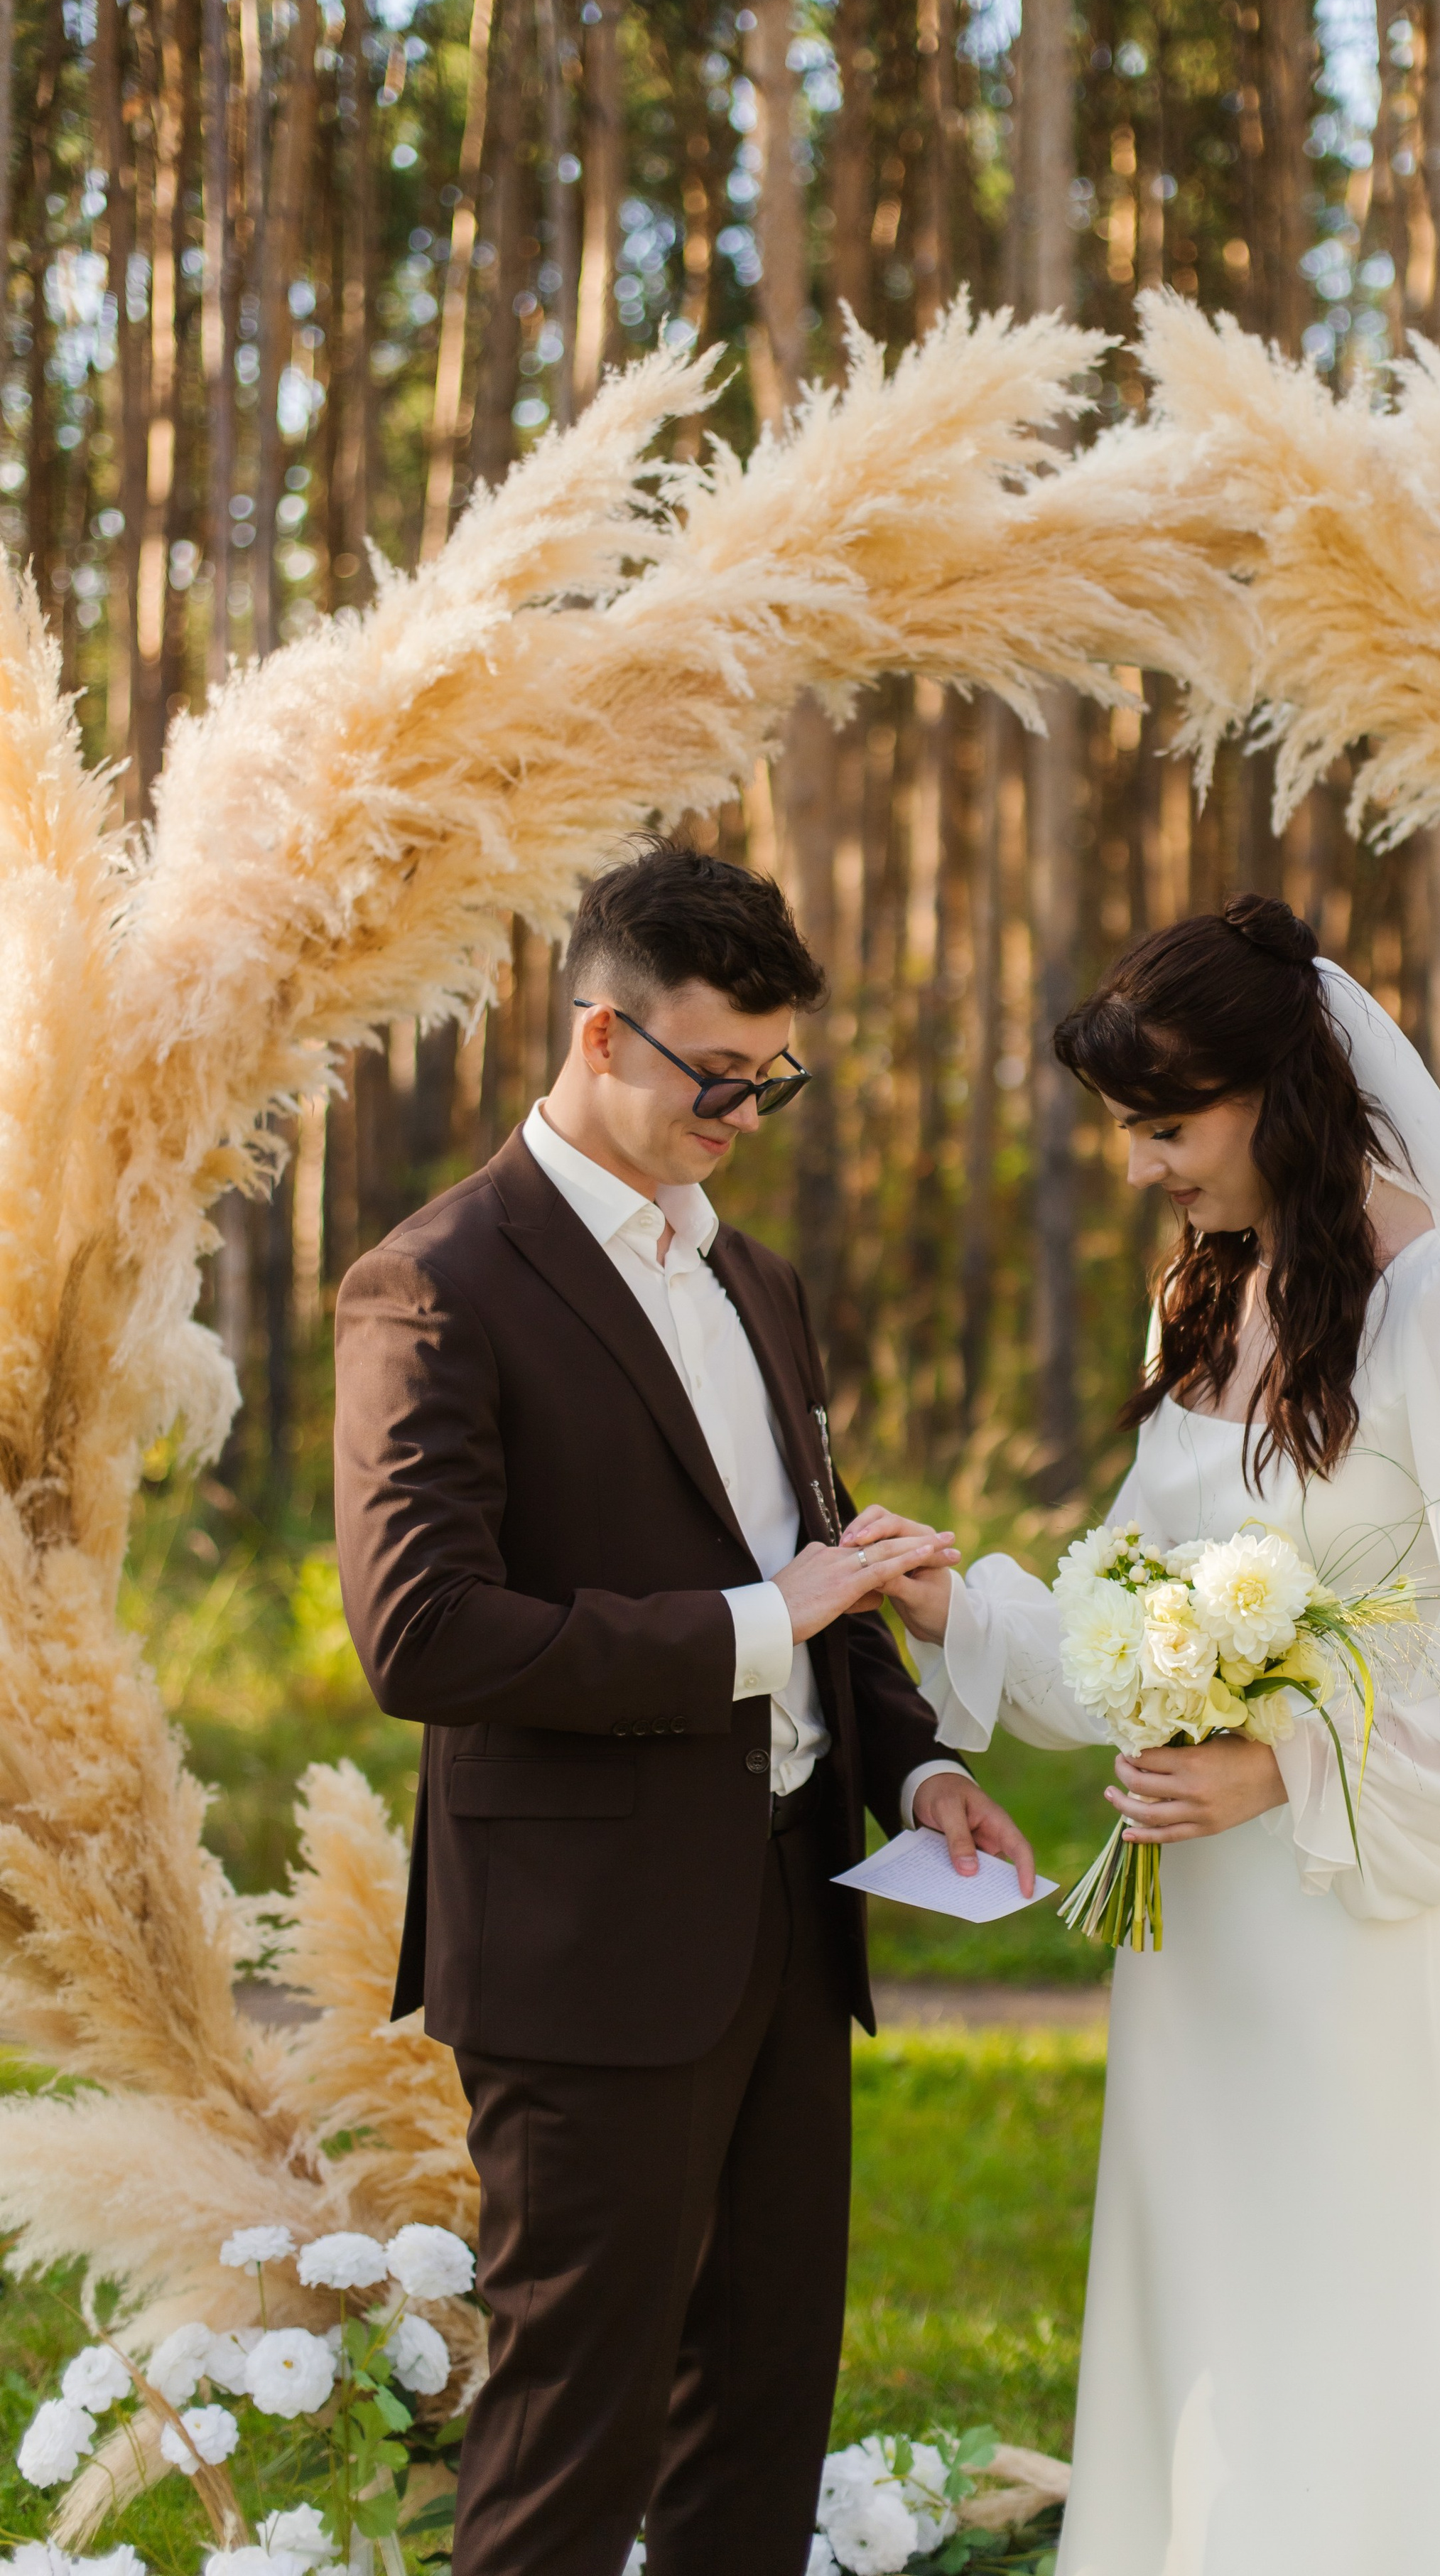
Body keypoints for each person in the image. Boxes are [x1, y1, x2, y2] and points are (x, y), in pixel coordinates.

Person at [863, 894, 1440, 2576]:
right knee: (1212, 2301)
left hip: (1362, 1924)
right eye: (1129, 1133)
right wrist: (960, 1609)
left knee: (1352, 2292)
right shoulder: (1202, 1299)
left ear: (1282, 1094)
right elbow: (1143, 1627)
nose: (1146, 1166)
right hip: (1206, 1943)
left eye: (1169, 1128)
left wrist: (1280, 1763)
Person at [332, 838, 1033, 2576]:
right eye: (717, 1076)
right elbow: (422, 1634)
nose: (743, 1112)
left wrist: (918, 1768)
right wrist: (745, 1626)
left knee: (762, 2409)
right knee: (580, 2430)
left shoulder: (755, 1282)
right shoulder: (436, 1283)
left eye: (769, 1079)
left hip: (789, 1927)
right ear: (599, 1039)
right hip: (586, 1954)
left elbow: (819, 1574)